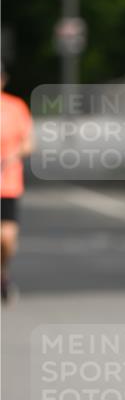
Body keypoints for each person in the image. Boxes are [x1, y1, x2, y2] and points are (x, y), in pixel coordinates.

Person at [1, 63, 33, 303]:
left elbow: (28, 143)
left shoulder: (15, 106)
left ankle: (3, 273)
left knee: (7, 238)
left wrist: (12, 156)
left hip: (8, 183)